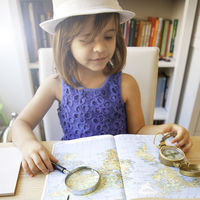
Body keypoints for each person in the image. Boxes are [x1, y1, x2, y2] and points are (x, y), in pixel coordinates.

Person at [12, 0, 192, 177]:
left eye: (108, 36)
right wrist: (28, 144)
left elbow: (138, 131)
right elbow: (20, 124)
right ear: (67, 43)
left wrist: (167, 130)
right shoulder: (55, 84)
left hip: (119, 170)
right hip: (75, 171)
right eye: (86, 39)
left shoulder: (126, 84)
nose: (100, 48)